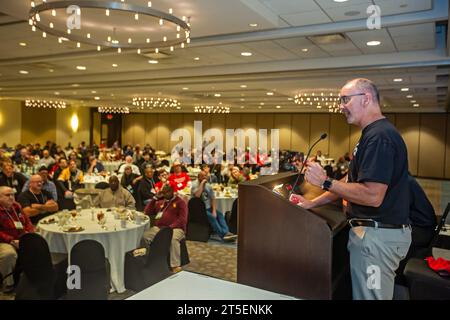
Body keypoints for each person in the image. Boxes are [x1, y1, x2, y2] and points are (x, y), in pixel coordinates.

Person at [290, 78, 411, 300]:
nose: (340, 106)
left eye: (345, 99)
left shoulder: (379, 137)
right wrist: (312, 202)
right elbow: (350, 181)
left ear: (366, 99)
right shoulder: (371, 135)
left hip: (377, 238)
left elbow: (373, 196)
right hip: (374, 236)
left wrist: (325, 181)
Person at [143, 184, 187, 273]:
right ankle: (148, 260)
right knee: (145, 236)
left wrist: (170, 228)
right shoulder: (160, 202)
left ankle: (175, 265)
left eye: (168, 191)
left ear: (172, 191)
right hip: (159, 227)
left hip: (176, 228)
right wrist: (154, 198)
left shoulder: (180, 202)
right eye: (164, 192)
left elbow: (182, 219)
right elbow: (147, 211)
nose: (166, 194)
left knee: (173, 239)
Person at [0, 186, 34, 293]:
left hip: (21, 237)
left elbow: (27, 221)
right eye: (7, 195)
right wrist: (11, 240)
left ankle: (32, 278)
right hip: (4, 241)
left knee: (39, 242)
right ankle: (8, 284)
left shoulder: (16, 206)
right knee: (9, 254)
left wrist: (30, 233)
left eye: (13, 194)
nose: (11, 197)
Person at [191, 172, 237, 242]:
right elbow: (197, 195)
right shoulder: (194, 185)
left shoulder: (208, 186)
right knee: (212, 217)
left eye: (205, 176)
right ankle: (223, 235)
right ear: (198, 177)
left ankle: (227, 233)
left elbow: (213, 198)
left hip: (209, 207)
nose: (204, 178)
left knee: (220, 214)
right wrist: (202, 184)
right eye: (202, 177)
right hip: (199, 209)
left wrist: (214, 211)